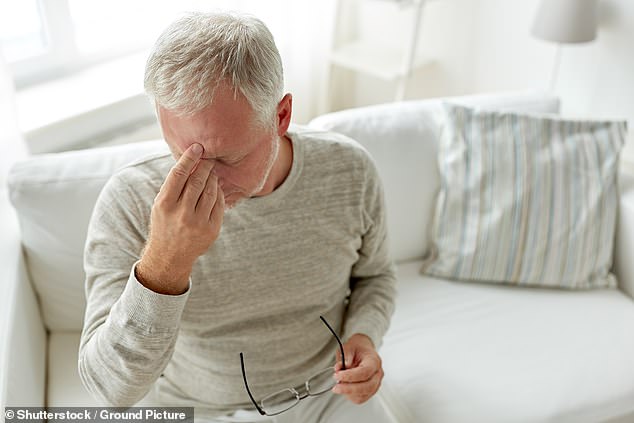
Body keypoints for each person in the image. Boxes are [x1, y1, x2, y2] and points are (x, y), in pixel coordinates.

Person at [78, 11, 396, 423]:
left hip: (324, 394)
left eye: (227, 158)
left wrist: (364, 335)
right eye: (181, 155)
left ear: (281, 116)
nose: (202, 181)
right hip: (196, 410)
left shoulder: (349, 171)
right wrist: (165, 263)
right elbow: (110, 389)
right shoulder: (130, 200)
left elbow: (376, 276)